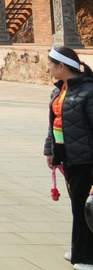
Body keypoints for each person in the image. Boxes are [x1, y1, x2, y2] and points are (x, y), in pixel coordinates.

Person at [44, 46, 93, 270]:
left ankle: (86, 257)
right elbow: (53, 124)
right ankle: (80, 248)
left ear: (61, 66)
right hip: (68, 157)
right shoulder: (59, 90)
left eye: (50, 65)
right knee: (77, 206)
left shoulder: (88, 91)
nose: (48, 69)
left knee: (85, 207)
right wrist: (51, 151)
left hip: (86, 160)